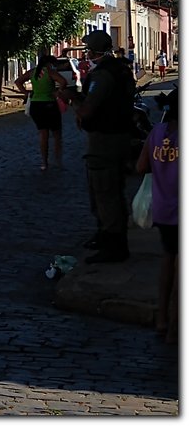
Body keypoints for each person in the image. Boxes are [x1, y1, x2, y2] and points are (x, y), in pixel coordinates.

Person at [65, 30, 136, 264]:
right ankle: (107, 236)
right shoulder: (121, 69)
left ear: (95, 51)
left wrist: (71, 98)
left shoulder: (103, 75)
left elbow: (87, 110)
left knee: (105, 192)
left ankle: (114, 244)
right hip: (119, 135)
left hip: (106, 139)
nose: (86, 54)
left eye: (88, 50)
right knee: (111, 190)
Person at [136, 87, 178, 344]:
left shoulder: (156, 132)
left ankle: (162, 318)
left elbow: (141, 166)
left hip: (162, 210)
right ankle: (176, 325)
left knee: (168, 262)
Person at [14, 55, 68, 171]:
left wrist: (27, 93)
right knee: (57, 135)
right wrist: (58, 91)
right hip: (50, 104)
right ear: (49, 63)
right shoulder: (50, 72)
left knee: (43, 135)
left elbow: (18, 82)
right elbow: (63, 81)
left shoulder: (32, 72)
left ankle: (44, 163)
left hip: (36, 105)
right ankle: (57, 160)